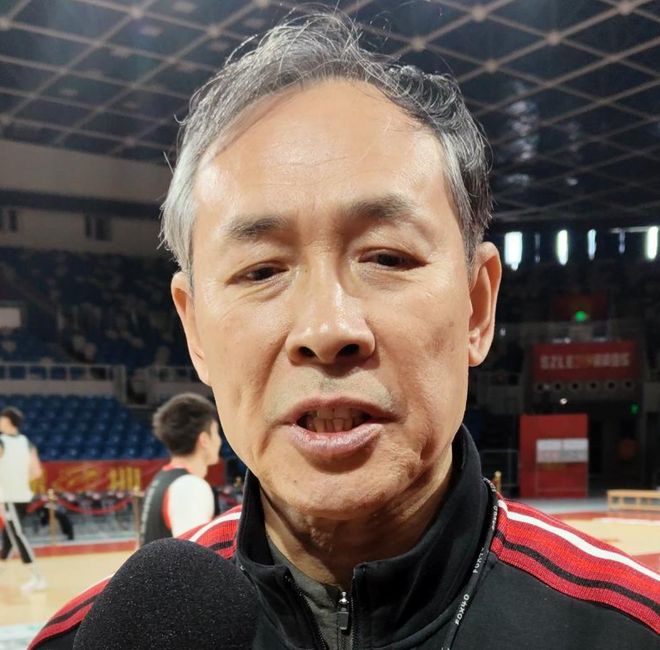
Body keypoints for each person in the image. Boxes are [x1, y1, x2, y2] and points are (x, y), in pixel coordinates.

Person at [32, 12, 658, 649]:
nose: (327, 328)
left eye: (386, 257)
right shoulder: (74, 643)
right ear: (194, 330)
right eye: (261, 270)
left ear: (477, 306)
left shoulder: (631, 631)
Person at [139, 393, 221, 545]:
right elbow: (194, 555)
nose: (219, 441)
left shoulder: (161, 478)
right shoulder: (190, 486)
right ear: (204, 440)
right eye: (216, 433)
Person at [0, 406, 47, 593]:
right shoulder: (27, 442)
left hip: (10, 496)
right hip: (23, 495)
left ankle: (38, 577)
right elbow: (36, 472)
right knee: (10, 534)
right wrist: (20, 478)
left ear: (8, 421)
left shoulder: (2, 441)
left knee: (17, 534)